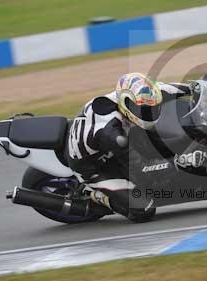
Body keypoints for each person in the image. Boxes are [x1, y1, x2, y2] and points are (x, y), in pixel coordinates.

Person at [67, 72, 192, 222]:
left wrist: (198, 88)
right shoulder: (113, 135)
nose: (149, 113)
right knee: (144, 209)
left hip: (109, 142)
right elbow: (140, 171)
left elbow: (171, 89)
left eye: (152, 109)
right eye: (143, 110)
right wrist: (178, 163)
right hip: (92, 165)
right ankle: (97, 196)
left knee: (157, 140)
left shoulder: (142, 95)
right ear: (126, 103)